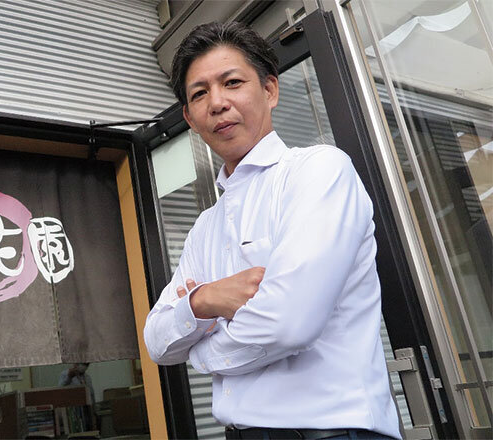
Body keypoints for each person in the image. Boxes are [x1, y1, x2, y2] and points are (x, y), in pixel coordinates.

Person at [143, 21, 401, 439]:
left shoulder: (318, 171)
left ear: (269, 90)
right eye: (200, 93)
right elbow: (156, 340)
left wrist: (199, 352)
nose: (217, 103)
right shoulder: (205, 227)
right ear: (189, 117)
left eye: (232, 82)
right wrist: (204, 300)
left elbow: (287, 324)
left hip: (332, 432)